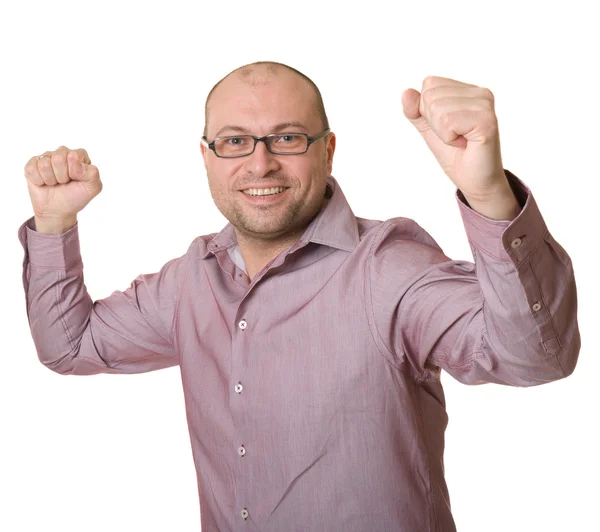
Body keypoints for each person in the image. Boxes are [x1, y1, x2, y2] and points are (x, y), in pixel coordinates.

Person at [19, 61, 580, 531]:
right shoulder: (190, 280)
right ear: (207, 157)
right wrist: (53, 222)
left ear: (328, 150)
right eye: (235, 141)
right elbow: (71, 347)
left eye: (286, 138)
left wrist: (487, 193)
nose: (259, 163)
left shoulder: (388, 266)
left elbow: (536, 357)